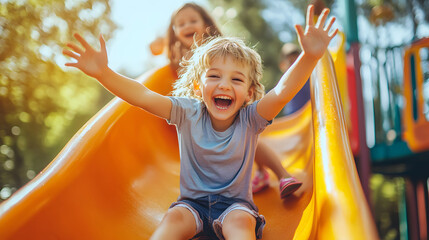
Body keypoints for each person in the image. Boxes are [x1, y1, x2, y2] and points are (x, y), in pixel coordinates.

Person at [62, 4, 337, 240]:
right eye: (214, 76)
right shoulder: (186, 111)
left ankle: (273, 177)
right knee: (172, 220)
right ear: (197, 87)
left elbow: (281, 92)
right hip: (190, 205)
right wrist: (104, 73)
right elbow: (143, 96)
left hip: (235, 206)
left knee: (242, 223)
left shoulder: (251, 117)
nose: (224, 86)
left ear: (249, 94)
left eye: (237, 79)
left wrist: (309, 57)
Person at [161, 2, 302, 199]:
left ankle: (281, 174)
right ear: (174, 31)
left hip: (228, 113)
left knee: (246, 136)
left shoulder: (219, 52)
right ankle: (261, 173)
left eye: (193, 21)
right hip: (202, 120)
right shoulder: (178, 61)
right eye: (181, 24)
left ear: (206, 24)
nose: (187, 26)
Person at [251, 43, 311, 196]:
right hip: (292, 121)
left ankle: (280, 175)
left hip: (309, 119)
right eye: (290, 62)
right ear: (283, 65)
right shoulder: (286, 80)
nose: (294, 65)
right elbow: (279, 96)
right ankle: (261, 171)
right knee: (251, 135)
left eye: (297, 60)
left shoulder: (310, 78)